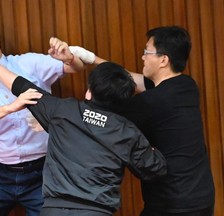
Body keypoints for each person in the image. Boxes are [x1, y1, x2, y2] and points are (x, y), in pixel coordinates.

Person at [0, 51, 167, 216]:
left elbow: (25, 89)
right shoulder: (127, 132)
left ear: (89, 93)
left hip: (53, 210)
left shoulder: (62, 111)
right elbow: (156, 169)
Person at [70, 26, 215, 216]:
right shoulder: (186, 86)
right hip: (201, 195)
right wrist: (90, 58)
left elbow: (106, 118)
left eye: (147, 52)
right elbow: (127, 78)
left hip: (172, 202)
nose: (143, 57)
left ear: (163, 60)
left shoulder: (148, 103)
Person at [0, 16, 85, 216]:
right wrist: (11, 107)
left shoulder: (28, 63)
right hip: (1, 175)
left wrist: (68, 58)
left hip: (42, 172)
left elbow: (75, 68)